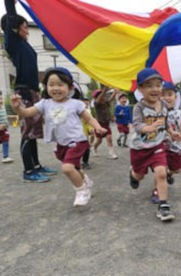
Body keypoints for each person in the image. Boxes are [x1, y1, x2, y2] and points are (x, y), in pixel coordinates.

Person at [11, 67, 107, 206]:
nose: (55, 88)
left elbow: (89, 118)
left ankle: (81, 191)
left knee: (67, 168)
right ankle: (84, 180)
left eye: (60, 84)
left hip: (77, 141)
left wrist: (98, 127)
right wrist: (17, 107)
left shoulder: (76, 104)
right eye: (51, 84)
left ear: (70, 87)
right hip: (61, 144)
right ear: (46, 87)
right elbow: (26, 113)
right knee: (75, 168)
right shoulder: (45, 103)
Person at [2, 0, 57, 181]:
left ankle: (36, 165)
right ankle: (28, 171)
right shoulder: (14, 43)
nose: (27, 30)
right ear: (16, 29)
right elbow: (10, 16)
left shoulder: (25, 45)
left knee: (33, 131)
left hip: (32, 90)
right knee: (27, 131)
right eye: (25, 27)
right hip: (24, 90)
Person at [129, 68, 175, 222]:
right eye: (149, 85)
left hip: (157, 146)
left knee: (161, 172)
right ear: (140, 89)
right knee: (139, 175)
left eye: (158, 85)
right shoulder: (139, 107)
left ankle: (163, 205)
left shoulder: (163, 105)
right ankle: (133, 174)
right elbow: (136, 125)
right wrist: (146, 127)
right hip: (140, 148)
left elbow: (166, 123)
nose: (155, 89)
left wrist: (173, 133)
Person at [92, 87, 118, 159]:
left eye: (103, 95)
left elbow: (110, 99)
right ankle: (94, 148)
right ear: (96, 97)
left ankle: (111, 153)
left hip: (106, 124)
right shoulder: (96, 103)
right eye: (100, 95)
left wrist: (115, 92)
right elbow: (98, 100)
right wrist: (104, 91)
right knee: (99, 141)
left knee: (109, 138)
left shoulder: (105, 102)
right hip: (99, 125)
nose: (103, 96)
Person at [0, 92, 14, 163]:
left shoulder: (2, 107)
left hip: (4, 129)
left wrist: (11, 117)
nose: (1, 100)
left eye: (1, 98)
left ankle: (5, 156)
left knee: (5, 140)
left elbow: (5, 116)